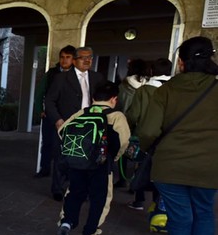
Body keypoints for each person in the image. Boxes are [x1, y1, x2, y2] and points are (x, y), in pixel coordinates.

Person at [137, 36, 218, 235]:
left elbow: (149, 130)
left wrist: (151, 149)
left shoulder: (165, 91)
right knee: (204, 215)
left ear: (181, 63)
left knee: (180, 220)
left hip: (170, 166)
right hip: (210, 166)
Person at [56, 82, 130, 235]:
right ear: (114, 99)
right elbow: (123, 142)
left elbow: (62, 131)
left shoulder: (83, 112)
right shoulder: (117, 116)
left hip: (78, 162)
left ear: (93, 98)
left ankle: (66, 222)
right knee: (100, 200)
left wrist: (76, 150)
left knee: (74, 193)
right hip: (101, 166)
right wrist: (114, 158)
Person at [45, 46, 105, 201]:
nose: (87, 60)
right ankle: (57, 189)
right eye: (83, 57)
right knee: (61, 157)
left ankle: (79, 189)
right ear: (75, 60)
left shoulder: (97, 78)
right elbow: (50, 101)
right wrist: (58, 120)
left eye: (90, 57)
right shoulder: (61, 78)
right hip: (66, 124)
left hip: (89, 125)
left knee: (85, 158)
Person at [125, 58, 172, 211]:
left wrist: (128, 129)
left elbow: (133, 115)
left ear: (151, 71)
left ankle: (139, 200)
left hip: (145, 135)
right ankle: (158, 203)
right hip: (168, 138)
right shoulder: (175, 90)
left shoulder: (144, 91)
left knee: (141, 166)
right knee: (161, 171)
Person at [34, 45, 76, 178]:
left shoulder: (77, 75)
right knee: (47, 143)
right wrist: (40, 110)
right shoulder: (51, 73)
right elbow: (40, 92)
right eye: (62, 57)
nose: (64, 60)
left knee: (68, 145)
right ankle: (44, 169)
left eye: (68, 57)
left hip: (68, 116)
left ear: (73, 59)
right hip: (50, 115)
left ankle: (65, 173)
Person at [113, 58, 148, 188]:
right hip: (143, 123)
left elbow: (119, 104)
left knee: (124, 149)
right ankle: (136, 179)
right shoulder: (148, 87)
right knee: (140, 151)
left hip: (126, 120)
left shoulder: (123, 86)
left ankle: (123, 179)